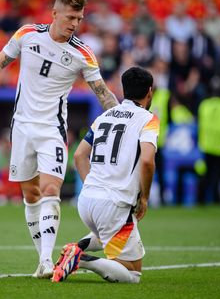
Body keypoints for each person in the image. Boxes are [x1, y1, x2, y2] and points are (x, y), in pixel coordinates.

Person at [0, 0, 119, 278]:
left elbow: (103, 94)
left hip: (52, 129)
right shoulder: (27, 35)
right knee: (30, 194)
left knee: (51, 189)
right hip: (22, 127)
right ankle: (42, 260)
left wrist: (125, 119)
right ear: (54, 14)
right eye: (71, 17)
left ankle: (48, 261)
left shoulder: (82, 54)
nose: (75, 23)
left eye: (80, 18)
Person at [52, 67, 159, 284]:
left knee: (106, 233)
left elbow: (80, 155)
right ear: (150, 91)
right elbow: (147, 161)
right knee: (133, 274)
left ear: (123, 89)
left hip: (87, 201)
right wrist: (145, 198)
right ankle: (81, 258)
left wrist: (92, 185)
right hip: (114, 203)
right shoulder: (148, 119)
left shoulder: (104, 116)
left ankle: (77, 248)